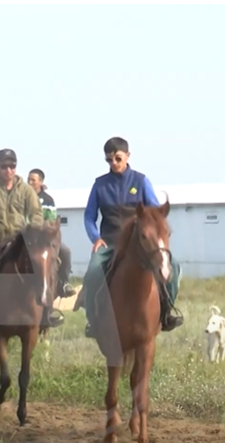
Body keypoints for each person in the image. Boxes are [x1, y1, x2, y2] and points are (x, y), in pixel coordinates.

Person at [81, 136, 183, 338]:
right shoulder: (99, 185)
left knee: (175, 266)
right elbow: (89, 216)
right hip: (110, 243)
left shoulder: (141, 181)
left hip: (138, 245)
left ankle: (166, 312)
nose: (114, 163)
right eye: (109, 160)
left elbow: (155, 213)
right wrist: (96, 238)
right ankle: (93, 320)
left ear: (127, 156)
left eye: (118, 158)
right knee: (92, 272)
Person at [0, 149, 66, 330]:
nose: (9, 170)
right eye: (4, 166)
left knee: (44, 265)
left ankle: (47, 311)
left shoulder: (26, 190)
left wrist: (33, 232)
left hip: (21, 241)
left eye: (12, 166)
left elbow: (36, 214)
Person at [27, 168, 76, 298]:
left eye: (33, 180)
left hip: (45, 236)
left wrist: (42, 227)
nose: (30, 182)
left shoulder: (48, 200)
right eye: (29, 179)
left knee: (65, 252)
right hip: (27, 236)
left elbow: (52, 220)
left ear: (41, 182)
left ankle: (64, 283)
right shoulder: (23, 197)